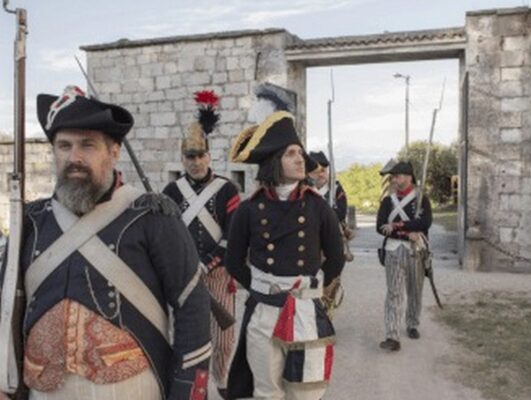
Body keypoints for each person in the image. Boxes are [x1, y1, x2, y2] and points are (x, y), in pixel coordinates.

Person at [0, 86, 212, 400]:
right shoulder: (31, 221)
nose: (74, 157)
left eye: (87, 145)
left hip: (128, 389)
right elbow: (6, 305)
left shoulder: (152, 215)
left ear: (114, 152)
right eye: (64, 145)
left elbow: (192, 304)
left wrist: (186, 390)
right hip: (42, 390)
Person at [226, 109, 345, 400]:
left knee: (306, 392)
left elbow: (336, 258)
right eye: (291, 153)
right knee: (266, 392)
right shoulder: (248, 209)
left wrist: (313, 291)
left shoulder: (318, 207)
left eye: (300, 153)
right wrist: (262, 288)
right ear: (273, 161)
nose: (300, 159)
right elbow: (233, 262)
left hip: (305, 310)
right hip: (264, 310)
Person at [162, 90, 239, 399]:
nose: (195, 162)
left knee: (224, 338)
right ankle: (191, 385)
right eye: (189, 157)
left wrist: (208, 263)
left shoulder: (226, 189)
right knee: (186, 335)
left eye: (199, 156)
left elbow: (232, 235)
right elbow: (166, 233)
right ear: (183, 159)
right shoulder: (172, 191)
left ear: (209, 156)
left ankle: (222, 381)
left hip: (217, 274)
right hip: (183, 275)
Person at [376, 161, 432, 351]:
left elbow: (425, 223)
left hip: (416, 251)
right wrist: (406, 234)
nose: (394, 180)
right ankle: (392, 335)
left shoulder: (421, 199)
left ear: (408, 178)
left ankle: (412, 323)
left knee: (415, 290)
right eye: (393, 177)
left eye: (397, 176)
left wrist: (398, 226)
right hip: (393, 250)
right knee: (394, 293)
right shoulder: (387, 201)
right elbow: (380, 226)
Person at [307, 151, 347, 223]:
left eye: (323, 171)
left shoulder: (336, 189)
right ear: (309, 173)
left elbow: (341, 214)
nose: (320, 175)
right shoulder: (304, 190)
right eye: (316, 172)